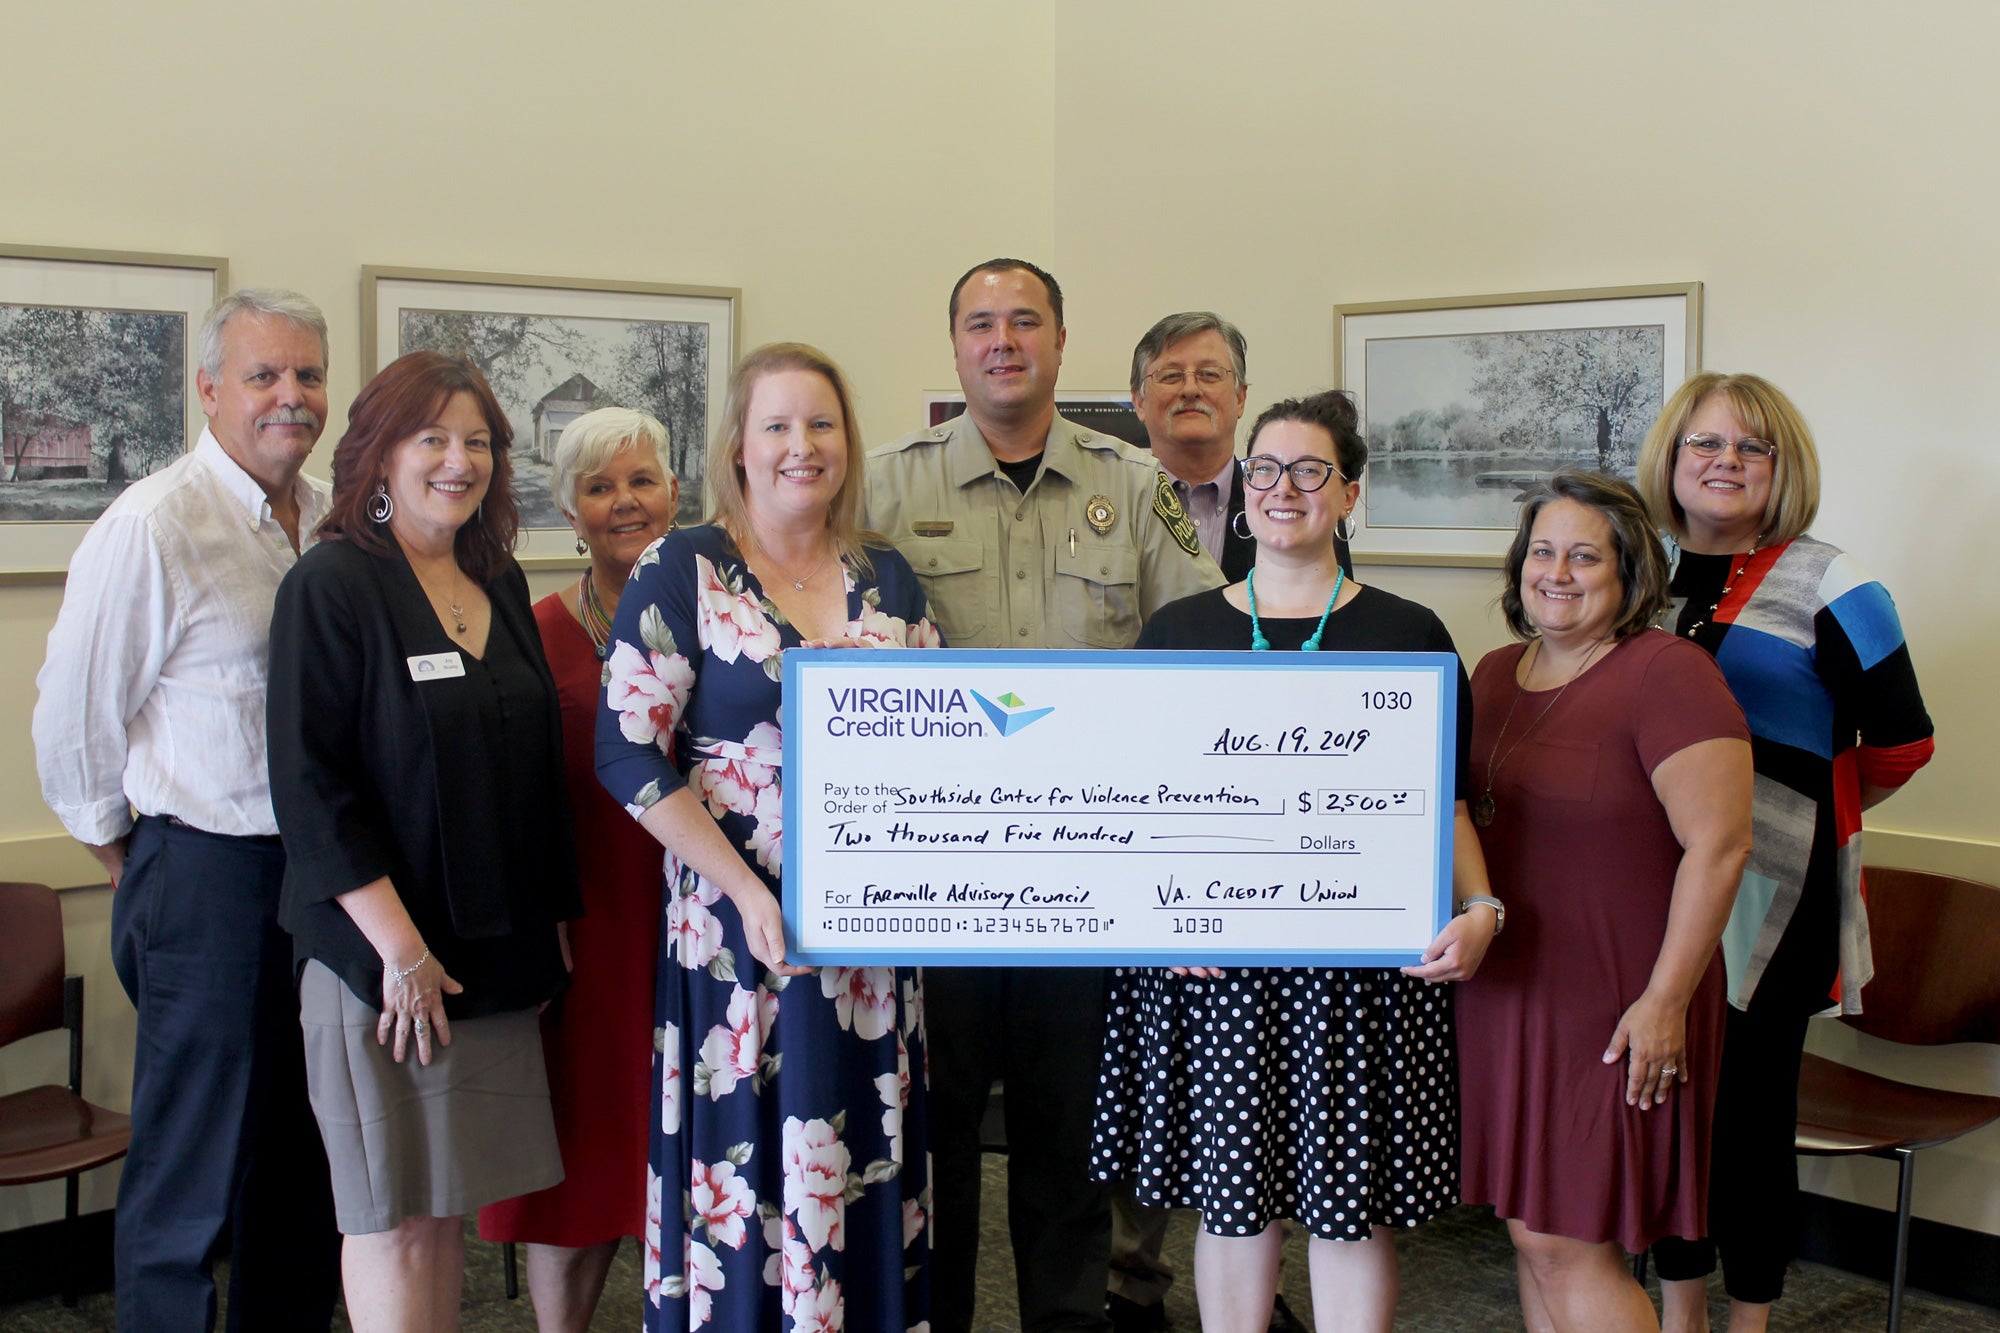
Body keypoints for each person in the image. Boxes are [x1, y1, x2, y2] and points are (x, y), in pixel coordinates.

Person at [864, 258, 1224, 1333]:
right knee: (928, 1142)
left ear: (1060, 343)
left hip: (1088, 882)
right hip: (935, 884)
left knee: (1068, 1144)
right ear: (956, 347)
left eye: (1025, 320)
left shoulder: (1134, 483)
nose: (1003, 339)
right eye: (980, 323)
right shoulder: (885, 487)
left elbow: (1197, 653)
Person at [1091, 390, 1497, 1333]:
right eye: (1266, 470)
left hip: (1358, 975)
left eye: (1311, 471)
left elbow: (1445, 806)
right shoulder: (1177, 634)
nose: (1284, 489)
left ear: (1348, 493)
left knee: (1346, 1213)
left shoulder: (1410, 635)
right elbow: (1134, 810)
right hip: (1212, 970)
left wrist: (1483, 908)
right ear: (1243, 495)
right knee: (1234, 1207)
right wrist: (1148, 929)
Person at [597, 342, 937, 1330]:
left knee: (863, 1162)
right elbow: (626, 751)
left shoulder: (890, 578)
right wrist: (747, 892)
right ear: (738, 448)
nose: (802, 445)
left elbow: (941, 745)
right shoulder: (682, 566)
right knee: (747, 1184)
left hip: (872, 951)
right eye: (777, 425)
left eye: (821, 423)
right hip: (737, 943)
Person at [32, 288, 342, 1332]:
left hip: (318, 883)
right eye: (263, 375)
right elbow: (73, 724)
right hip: (205, 872)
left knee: (304, 1149)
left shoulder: (335, 511)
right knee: (193, 1156)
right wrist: (134, 859)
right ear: (210, 390)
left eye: (305, 375)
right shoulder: (156, 524)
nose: (288, 396)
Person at [267, 351, 581, 1332]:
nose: (459, 460)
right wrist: (400, 953)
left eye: (478, 440)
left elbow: (534, 770)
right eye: (432, 437)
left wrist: (550, 927)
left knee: (448, 1210)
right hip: (386, 967)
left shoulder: (494, 574)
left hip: (486, 959)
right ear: (380, 452)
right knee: (392, 1217)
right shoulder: (333, 584)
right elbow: (312, 791)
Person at [1634, 375, 1935, 1333]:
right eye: (1704, 444)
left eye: (1750, 448)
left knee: (1750, 1124)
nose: (1724, 462)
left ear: (1782, 468)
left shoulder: (1835, 583)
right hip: (1648, 888)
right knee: (1664, 1109)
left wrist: (1796, 811)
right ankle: (1680, 1310)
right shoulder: (1636, 568)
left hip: (1774, 896)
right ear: (1672, 460)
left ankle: (1750, 1319)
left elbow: (1901, 742)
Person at [1456, 471, 1754, 1333]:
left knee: (1568, 1237)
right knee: (1531, 1231)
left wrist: (1665, 1001)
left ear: (1628, 574)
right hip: (1511, 993)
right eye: (1542, 551)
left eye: (1585, 555)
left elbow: (1721, 845)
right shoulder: (1496, 673)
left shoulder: (1668, 673)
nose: (1558, 571)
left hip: (1621, 1000)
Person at [477, 407, 680, 1330]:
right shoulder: (530, 629)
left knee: (701, 1152)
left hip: (700, 924)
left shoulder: (718, 619)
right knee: (583, 1156)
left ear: (676, 493)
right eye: (600, 486)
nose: (624, 501)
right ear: (571, 509)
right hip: (587, 928)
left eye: (642, 480)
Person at [1129, 310, 1351, 585]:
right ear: (1138, 401)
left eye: (1209, 374)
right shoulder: (1117, 501)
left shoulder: (1294, 502)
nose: (1190, 389)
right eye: (1171, 376)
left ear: (1240, 397)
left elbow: (1331, 607)